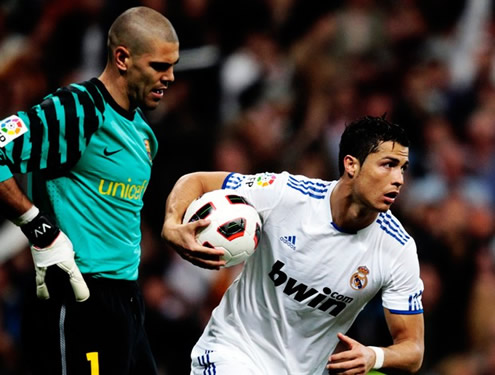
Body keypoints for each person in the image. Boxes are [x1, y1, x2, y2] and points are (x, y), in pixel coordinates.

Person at [162, 115, 425, 374]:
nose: (399, 179)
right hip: (231, 352)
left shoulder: (397, 249)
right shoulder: (285, 194)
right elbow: (197, 181)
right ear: (351, 165)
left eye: (402, 167)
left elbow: (413, 349)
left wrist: (374, 355)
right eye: (388, 165)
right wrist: (173, 223)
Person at [0, 6, 179, 375]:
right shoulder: (77, 109)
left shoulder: (144, 134)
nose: (171, 77)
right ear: (123, 58)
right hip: (78, 298)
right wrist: (37, 226)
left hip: (127, 301)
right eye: (160, 66)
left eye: (172, 66)